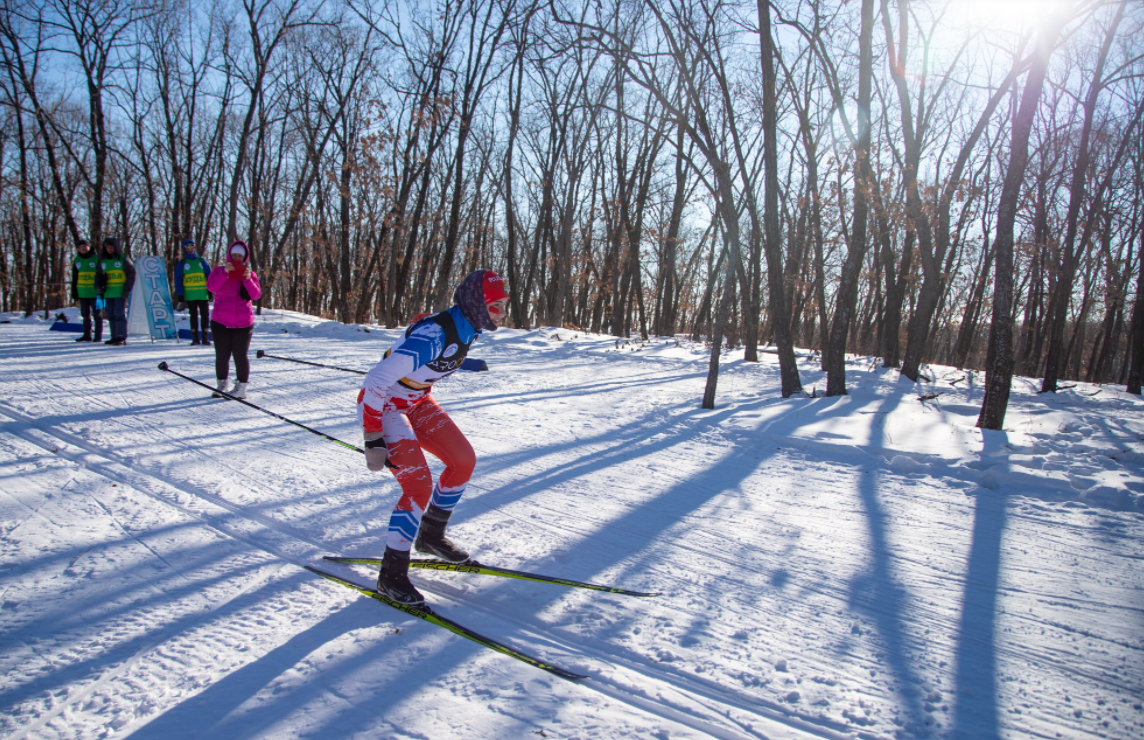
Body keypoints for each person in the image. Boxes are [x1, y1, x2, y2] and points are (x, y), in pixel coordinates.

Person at [358, 269, 509, 605]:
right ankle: (391, 575)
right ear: (476, 304)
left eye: (503, 305)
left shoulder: (469, 325)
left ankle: (430, 536)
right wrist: (373, 437)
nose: (501, 313)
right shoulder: (433, 335)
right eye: (496, 306)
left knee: (463, 460)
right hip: (385, 406)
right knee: (418, 485)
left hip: (416, 400)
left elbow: (442, 355)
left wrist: (471, 364)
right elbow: (376, 381)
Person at [206, 240, 261, 399]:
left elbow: (256, 295)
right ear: (229, 256)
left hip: (243, 322)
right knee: (222, 354)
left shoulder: (250, 274)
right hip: (220, 321)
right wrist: (225, 273)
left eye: (240, 256)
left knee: (240, 354)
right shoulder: (218, 271)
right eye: (234, 255)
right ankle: (222, 384)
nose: (236, 258)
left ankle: (241, 387)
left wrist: (247, 279)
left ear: (245, 258)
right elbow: (211, 288)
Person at [97, 236, 135, 346]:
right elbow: (98, 275)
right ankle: (114, 336)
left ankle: (121, 336)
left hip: (120, 292)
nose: (110, 249)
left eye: (111, 247)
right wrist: (98, 287)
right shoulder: (102, 261)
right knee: (110, 314)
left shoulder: (123, 259)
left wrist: (127, 289)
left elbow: (131, 274)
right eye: (107, 247)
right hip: (108, 293)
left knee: (119, 314)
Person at [174, 238, 212, 346]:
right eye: (188, 248)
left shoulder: (201, 261)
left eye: (192, 247)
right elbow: (178, 279)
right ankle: (195, 338)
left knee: (205, 315)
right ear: (185, 249)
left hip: (202, 294)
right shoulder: (182, 263)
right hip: (190, 295)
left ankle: (205, 337)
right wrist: (180, 294)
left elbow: (210, 276)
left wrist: (210, 291)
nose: (190, 250)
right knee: (193, 315)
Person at [71, 238, 103, 342]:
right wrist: (74, 292)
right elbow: (75, 277)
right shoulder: (77, 260)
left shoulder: (96, 258)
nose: (83, 248)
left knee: (97, 315)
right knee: (85, 315)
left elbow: (102, 274)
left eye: (85, 246)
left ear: (89, 247)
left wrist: (102, 288)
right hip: (83, 292)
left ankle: (98, 336)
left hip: (96, 293)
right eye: (81, 247)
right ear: (78, 249)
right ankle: (87, 335)